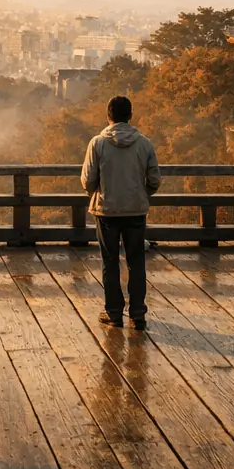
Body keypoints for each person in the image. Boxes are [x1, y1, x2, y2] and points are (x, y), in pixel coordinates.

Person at [80, 95, 161, 330]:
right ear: (130, 116)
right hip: (135, 211)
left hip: (106, 211)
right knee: (136, 262)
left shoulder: (97, 143)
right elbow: (154, 179)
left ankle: (113, 312)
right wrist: (140, 194)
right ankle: (137, 314)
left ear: (108, 116)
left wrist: (100, 192)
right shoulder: (144, 143)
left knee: (110, 262)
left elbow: (88, 181)